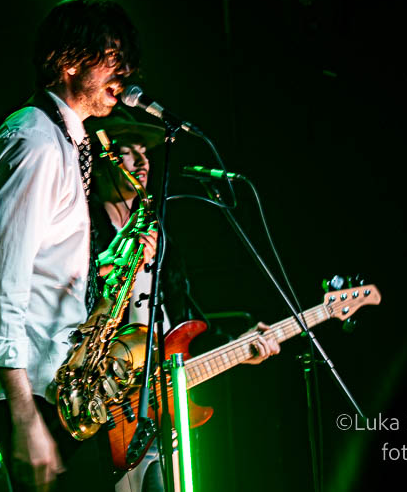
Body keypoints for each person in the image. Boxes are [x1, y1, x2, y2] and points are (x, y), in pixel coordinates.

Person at [0, 0, 153, 491]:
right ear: (69, 61)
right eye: (112, 58)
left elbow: (49, 267)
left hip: (64, 387)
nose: (124, 73)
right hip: (34, 390)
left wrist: (111, 265)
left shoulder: (68, 140)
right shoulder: (33, 140)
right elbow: (4, 287)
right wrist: (24, 417)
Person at [85, 108, 280, 492]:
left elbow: (183, 317)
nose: (142, 162)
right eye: (128, 151)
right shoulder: (83, 227)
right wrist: (109, 262)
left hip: (163, 406)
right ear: (104, 160)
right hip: (110, 408)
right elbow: (69, 294)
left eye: (145, 152)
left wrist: (239, 345)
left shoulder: (162, 237)